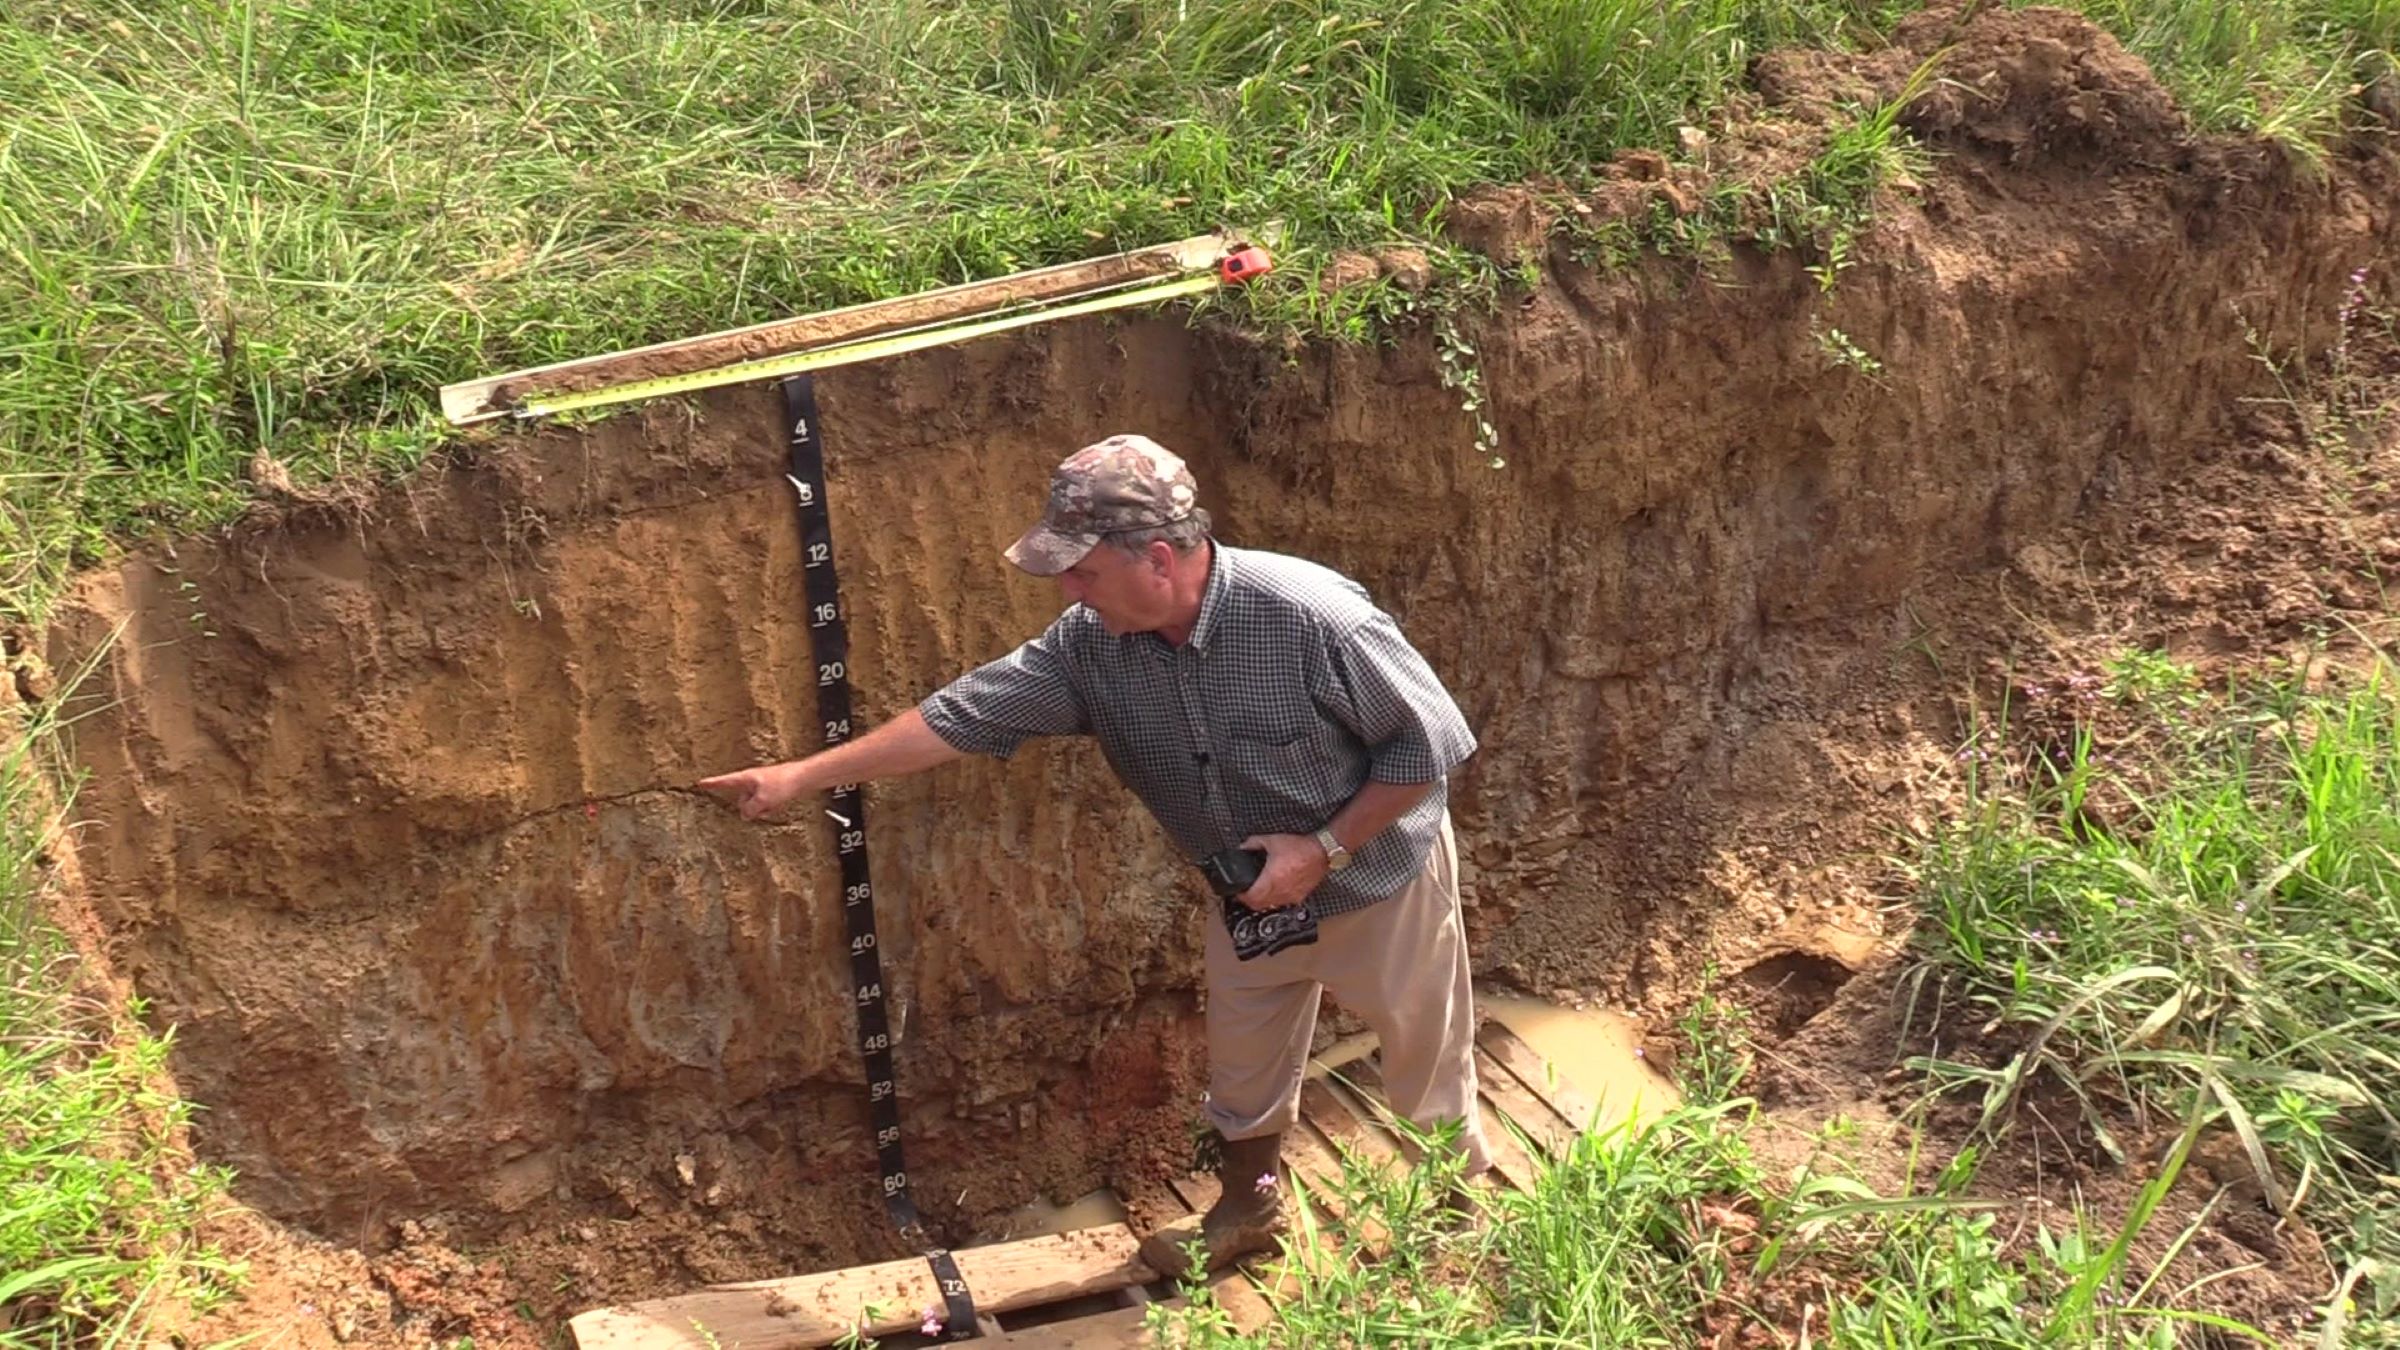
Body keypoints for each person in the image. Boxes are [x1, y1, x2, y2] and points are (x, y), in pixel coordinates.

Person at [697, 433, 1490, 1278]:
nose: (1069, 590)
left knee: (1422, 1051)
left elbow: (1428, 748)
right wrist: (801, 777)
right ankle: (1251, 1208)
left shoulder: (1313, 618)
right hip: (1254, 898)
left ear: (1156, 557)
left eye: (1083, 570)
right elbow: (961, 715)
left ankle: (1454, 1217)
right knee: (1245, 1062)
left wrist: (1324, 848)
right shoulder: (1089, 647)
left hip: (1378, 878)